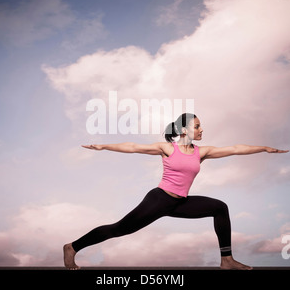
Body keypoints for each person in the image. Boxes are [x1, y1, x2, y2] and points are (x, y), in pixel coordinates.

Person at [63, 113, 288, 270]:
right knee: (120, 229)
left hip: (180, 203)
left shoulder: (202, 152)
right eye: (197, 126)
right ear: (183, 129)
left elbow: (236, 149)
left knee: (220, 207)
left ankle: (226, 259)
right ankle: (73, 247)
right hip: (159, 200)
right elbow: (132, 147)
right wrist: (103, 146)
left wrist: (264, 148)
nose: (201, 129)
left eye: (201, 126)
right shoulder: (167, 148)